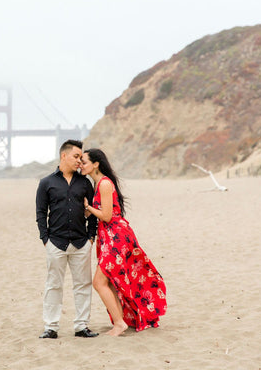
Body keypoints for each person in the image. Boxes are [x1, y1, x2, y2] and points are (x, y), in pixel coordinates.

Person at [80, 148, 167, 336]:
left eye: (84, 161)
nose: (81, 164)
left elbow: (106, 215)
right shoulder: (97, 184)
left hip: (116, 236)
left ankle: (120, 323)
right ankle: (121, 322)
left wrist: (88, 207)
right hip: (108, 236)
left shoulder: (104, 183)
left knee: (99, 282)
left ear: (96, 164)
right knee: (109, 281)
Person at [36, 140, 99, 339]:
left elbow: (93, 210)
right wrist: (45, 238)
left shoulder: (85, 183)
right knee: (53, 285)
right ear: (64, 156)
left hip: (81, 243)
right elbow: (40, 213)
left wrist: (91, 237)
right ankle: (51, 327)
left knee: (83, 285)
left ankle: (81, 326)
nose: (79, 161)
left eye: (81, 157)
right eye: (76, 156)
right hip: (56, 242)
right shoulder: (46, 183)